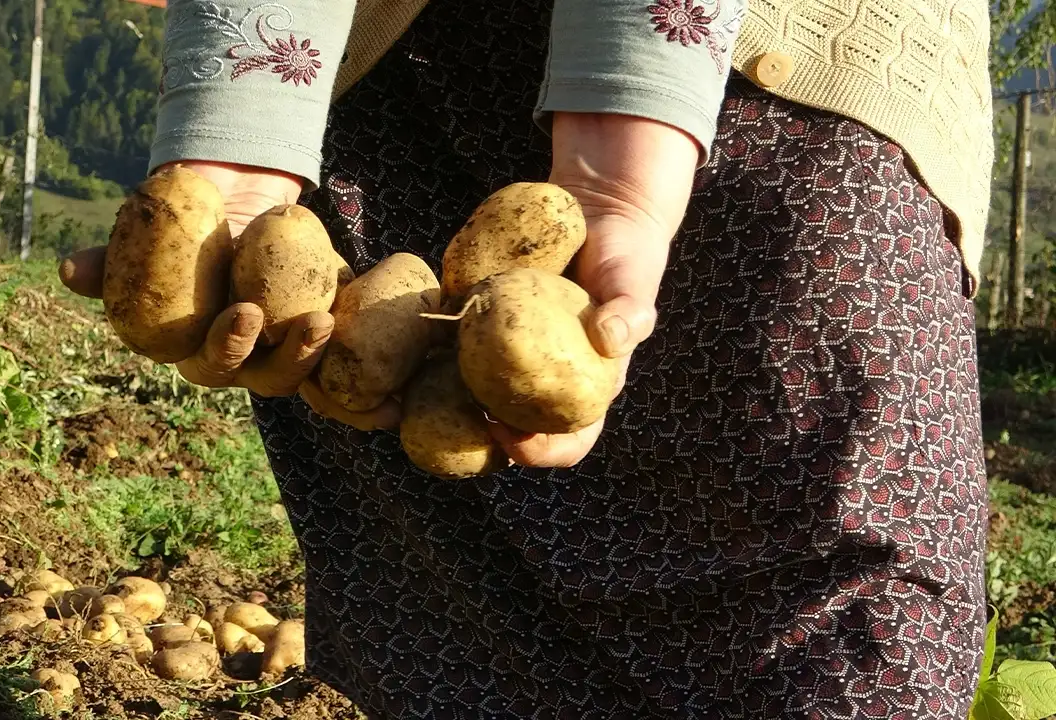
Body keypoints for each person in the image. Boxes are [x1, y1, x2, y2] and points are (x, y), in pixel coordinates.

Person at [59, 0, 995, 716]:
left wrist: (629, 141)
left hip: (769, 75)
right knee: (462, 620)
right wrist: (244, 120)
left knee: (841, 609)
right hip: (394, 77)